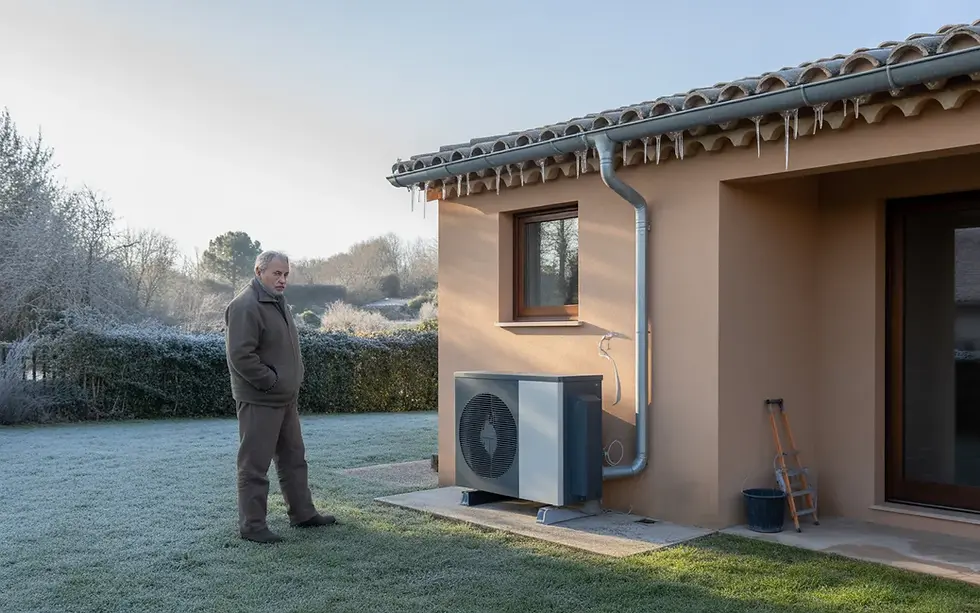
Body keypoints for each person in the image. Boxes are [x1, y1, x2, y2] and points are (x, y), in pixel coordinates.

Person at [224, 250, 335, 543]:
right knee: (254, 465)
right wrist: (272, 381)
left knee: (294, 459)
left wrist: (292, 378)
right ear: (258, 271)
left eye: (285, 274)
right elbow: (240, 356)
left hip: (285, 399)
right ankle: (252, 527)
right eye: (276, 273)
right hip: (260, 399)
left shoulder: (277, 302)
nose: (282, 279)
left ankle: (303, 513)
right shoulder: (245, 305)